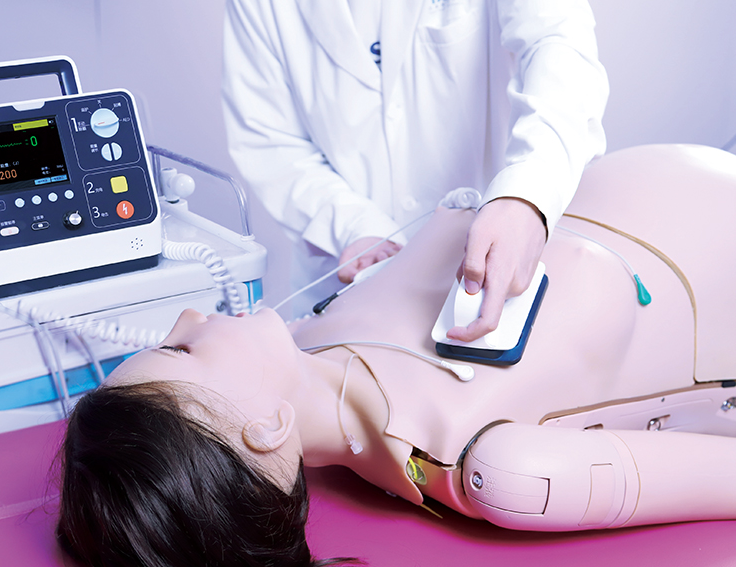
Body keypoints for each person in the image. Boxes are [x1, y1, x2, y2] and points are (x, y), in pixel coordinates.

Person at [57, 145, 736, 567]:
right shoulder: (492, 464)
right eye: (180, 349)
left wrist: (393, 262)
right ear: (262, 429)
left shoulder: (307, 333)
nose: (186, 319)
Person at [222, 0, 609, 339]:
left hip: (484, 274)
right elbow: (269, 140)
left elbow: (560, 51)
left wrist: (526, 193)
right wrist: (355, 226)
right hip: (349, 291)